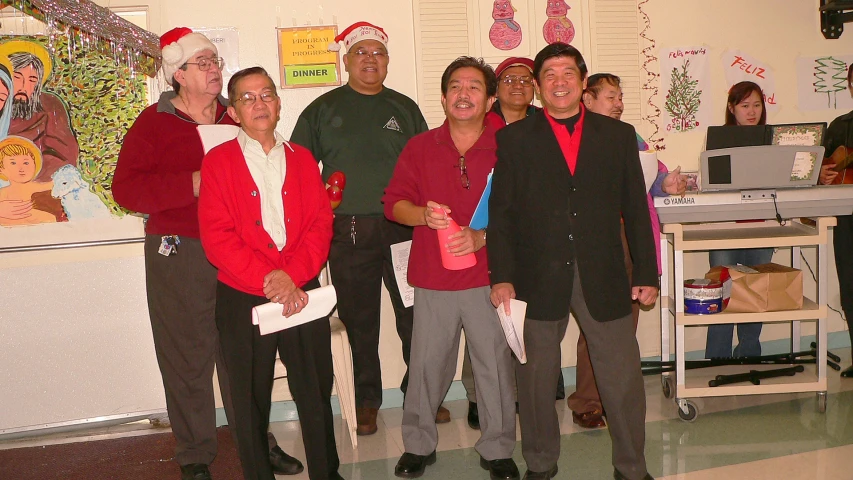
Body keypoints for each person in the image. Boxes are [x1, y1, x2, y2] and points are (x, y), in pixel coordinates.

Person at [112, 28, 302, 480]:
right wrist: (191, 184)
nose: (215, 69)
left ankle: (256, 442)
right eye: (204, 63)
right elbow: (126, 190)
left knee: (244, 353)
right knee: (186, 356)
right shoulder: (153, 123)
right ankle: (195, 454)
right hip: (179, 252)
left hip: (239, 250)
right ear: (178, 74)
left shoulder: (236, 118)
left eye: (216, 60)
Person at [488, 43, 657, 480]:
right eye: (549, 75)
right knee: (536, 378)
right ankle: (541, 465)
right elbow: (502, 215)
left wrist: (645, 272)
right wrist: (502, 278)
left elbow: (636, 209)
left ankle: (632, 468)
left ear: (583, 83)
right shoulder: (513, 138)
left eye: (568, 73)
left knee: (622, 379)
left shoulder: (616, 135)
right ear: (540, 88)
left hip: (604, 270)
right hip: (536, 273)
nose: (559, 81)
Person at [291, 21, 439, 436]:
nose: (370, 60)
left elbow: (426, 167)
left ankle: (420, 395)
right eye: (361, 53)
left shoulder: (405, 108)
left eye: (377, 53)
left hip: (404, 228)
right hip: (348, 230)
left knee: (415, 314)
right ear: (347, 60)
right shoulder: (322, 109)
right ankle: (366, 400)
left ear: (387, 62)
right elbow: (298, 172)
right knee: (360, 321)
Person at [198, 66, 341, 480]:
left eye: (266, 95)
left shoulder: (302, 158)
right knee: (248, 398)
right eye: (247, 97)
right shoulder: (218, 162)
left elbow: (319, 224)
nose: (259, 104)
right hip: (242, 294)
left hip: (300, 292)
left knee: (314, 392)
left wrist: (290, 277)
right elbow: (217, 236)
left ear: (278, 104)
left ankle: (327, 473)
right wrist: (270, 278)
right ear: (235, 111)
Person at [384, 56, 519, 480]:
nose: (464, 94)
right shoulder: (420, 146)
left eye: (474, 87)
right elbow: (394, 204)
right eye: (455, 87)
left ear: (490, 98)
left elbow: (528, 210)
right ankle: (418, 445)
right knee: (426, 364)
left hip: (491, 276)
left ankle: (497, 448)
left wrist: (484, 237)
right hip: (434, 277)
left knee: (494, 365)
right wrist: (422, 214)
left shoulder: (513, 144)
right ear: (443, 97)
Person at [566, 73, 686, 429]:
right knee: (595, 323)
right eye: (611, 97)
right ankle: (587, 401)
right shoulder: (573, 134)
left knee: (622, 325)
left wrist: (666, 182)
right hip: (590, 237)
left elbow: (653, 175)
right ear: (587, 100)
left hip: (627, 235)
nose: (619, 104)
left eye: (620, 97)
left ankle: (617, 400)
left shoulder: (630, 135)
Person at [461, 56, 565, 432]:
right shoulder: (479, 124)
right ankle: (478, 396)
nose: (517, 85)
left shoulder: (547, 123)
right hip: (487, 235)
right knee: (486, 320)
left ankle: (539, 387)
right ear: (495, 87)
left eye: (525, 79)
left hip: (538, 241)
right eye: (509, 78)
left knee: (537, 318)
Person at [704, 81, 772, 359]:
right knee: (722, 290)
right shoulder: (720, 140)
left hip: (761, 226)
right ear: (732, 108)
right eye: (745, 106)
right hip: (726, 227)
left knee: (754, 292)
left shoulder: (771, 141)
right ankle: (717, 356)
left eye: (757, 105)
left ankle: (749, 352)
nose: (752, 112)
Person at [0, 40, 79, 181]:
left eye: (32, 80)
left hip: (39, 182)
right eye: (17, 77)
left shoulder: (50, 105)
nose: (24, 86)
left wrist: (31, 181)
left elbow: (64, 153)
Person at [819, 63, 853, 378]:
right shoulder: (839, 126)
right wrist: (823, 174)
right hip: (847, 218)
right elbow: (818, 166)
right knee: (850, 287)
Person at [0, 135, 55, 225]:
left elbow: (57, 185)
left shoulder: (39, 188)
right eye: (13, 163)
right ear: (1, 169)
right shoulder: (3, 193)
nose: (21, 168)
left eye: (26, 162)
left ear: (35, 164)